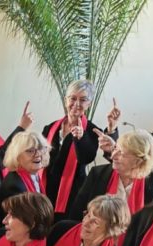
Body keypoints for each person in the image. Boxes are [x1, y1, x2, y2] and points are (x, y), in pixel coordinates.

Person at [41, 80, 119, 220]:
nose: (77, 104)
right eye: (73, 98)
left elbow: (86, 158)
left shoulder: (92, 130)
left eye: (83, 100)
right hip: (45, 188)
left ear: (89, 104)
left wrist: (81, 138)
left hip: (73, 193)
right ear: (66, 100)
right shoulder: (50, 128)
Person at [0, 131, 50, 229]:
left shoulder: (34, 176)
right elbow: (20, 227)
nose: (38, 154)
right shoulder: (14, 186)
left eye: (41, 149)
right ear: (17, 156)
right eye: (30, 151)